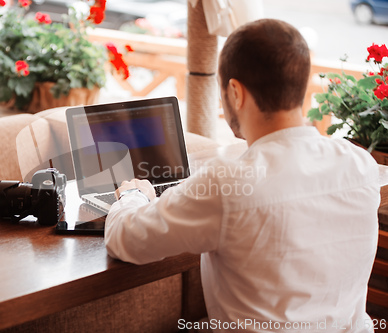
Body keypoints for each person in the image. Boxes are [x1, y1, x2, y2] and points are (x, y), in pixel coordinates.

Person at [104, 19, 380, 333]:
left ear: (235, 92)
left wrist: (132, 195)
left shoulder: (228, 183)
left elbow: (125, 239)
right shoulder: (360, 165)